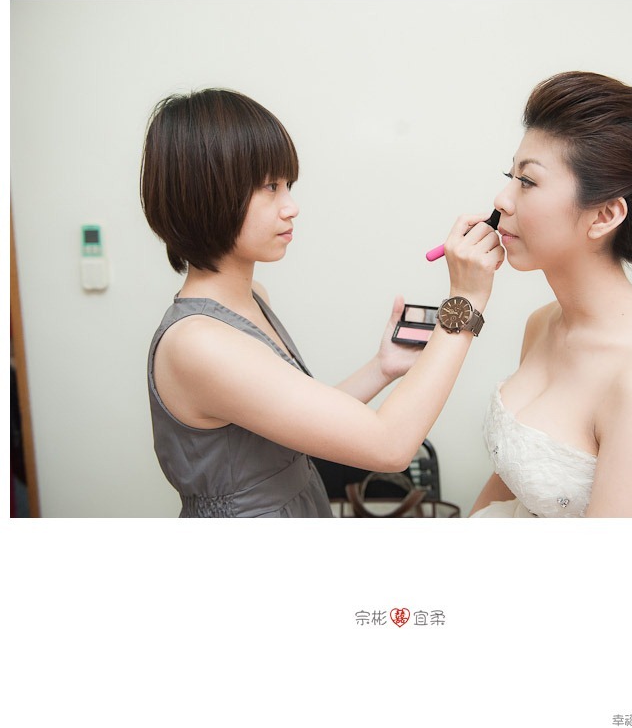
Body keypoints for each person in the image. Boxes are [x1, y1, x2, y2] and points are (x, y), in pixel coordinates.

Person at [140, 88, 503, 517]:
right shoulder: (199, 343)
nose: (291, 207)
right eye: (270, 187)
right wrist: (465, 300)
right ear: (206, 193)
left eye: (288, 186)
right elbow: (390, 446)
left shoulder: (252, 300)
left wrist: (381, 367)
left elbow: (290, 425)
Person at [470, 71, 632, 518]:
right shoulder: (543, 323)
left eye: (527, 182)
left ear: (605, 215)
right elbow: (511, 477)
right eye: (510, 176)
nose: (502, 200)